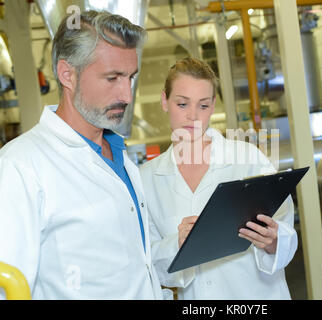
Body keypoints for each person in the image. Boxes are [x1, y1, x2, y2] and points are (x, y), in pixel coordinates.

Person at [0, 10, 164, 299]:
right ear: (67, 74)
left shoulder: (119, 156)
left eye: (130, 77)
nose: (127, 95)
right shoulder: (21, 167)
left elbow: (136, 264)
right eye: (113, 78)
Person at [140, 57, 298, 299]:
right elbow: (149, 261)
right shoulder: (147, 178)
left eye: (203, 106)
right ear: (164, 101)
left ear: (213, 106)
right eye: (182, 104)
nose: (193, 116)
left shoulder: (247, 159)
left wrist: (273, 241)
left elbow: (285, 230)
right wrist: (177, 244)